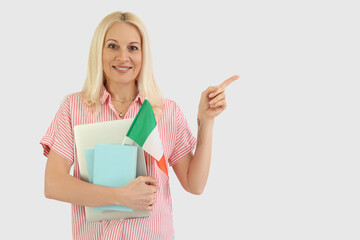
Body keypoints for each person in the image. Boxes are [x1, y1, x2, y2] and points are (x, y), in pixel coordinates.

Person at [41, 11, 239, 240]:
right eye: (113, 46)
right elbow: (53, 184)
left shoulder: (167, 112)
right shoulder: (73, 107)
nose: (123, 57)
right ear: (99, 51)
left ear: (144, 55)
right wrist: (120, 196)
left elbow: (195, 185)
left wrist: (207, 121)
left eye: (133, 48)